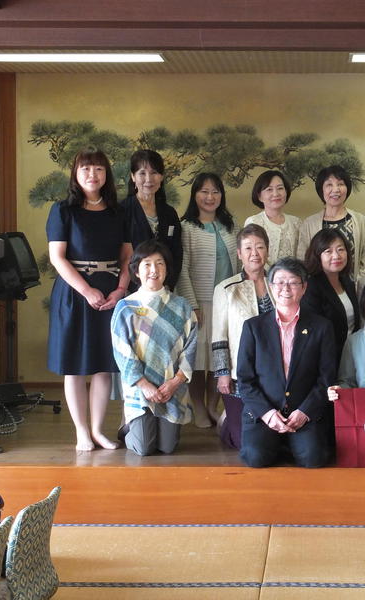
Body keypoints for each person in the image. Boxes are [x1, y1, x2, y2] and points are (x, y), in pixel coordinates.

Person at [46, 148, 132, 452]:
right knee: (75, 366)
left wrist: (120, 290)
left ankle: (98, 430)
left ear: (106, 174)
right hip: (74, 294)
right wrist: (87, 290)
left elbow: (128, 256)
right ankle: (81, 432)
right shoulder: (63, 210)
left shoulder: (118, 211)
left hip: (111, 293)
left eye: (98, 169)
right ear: (75, 174)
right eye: (85, 169)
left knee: (104, 365)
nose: (92, 175)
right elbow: (57, 258)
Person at [236, 257, 336, 468]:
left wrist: (305, 412)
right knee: (255, 458)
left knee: (314, 459)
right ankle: (281, 443)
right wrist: (268, 413)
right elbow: (245, 380)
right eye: (280, 282)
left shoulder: (321, 327)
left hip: (303, 411)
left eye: (293, 282)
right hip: (266, 411)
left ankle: (290, 442)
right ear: (271, 286)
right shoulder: (253, 327)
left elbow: (326, 378)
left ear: (304, 287)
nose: (286, 288)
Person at [111, 240, 197, 456]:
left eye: (160, 264)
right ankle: (127, 426)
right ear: (136, 271)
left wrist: (175, 382)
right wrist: (144, 385)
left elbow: (191, 348)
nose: (154, 270)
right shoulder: (126, 307)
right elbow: (122, 352)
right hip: (140, 389)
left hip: (171, 389)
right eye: (147, 264)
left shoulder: (182, 307)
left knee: (168, 447)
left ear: (167, 269)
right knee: (143, 448)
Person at [176, 172, 237, 428]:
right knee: (199, 360)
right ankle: (198, 406)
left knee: (220, 359)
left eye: (215, 191)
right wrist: (192, 304)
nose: (210, 197)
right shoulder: (187, 227)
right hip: (201, 303)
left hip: (228, 303)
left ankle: (213, 405)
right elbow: (182, 268)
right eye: (204, 191)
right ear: (195, 195)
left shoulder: (230, 225)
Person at [211, 224, 276, 449]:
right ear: (239, 253)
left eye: (260, 247)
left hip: (274, 371)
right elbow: (219, 334)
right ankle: (227, 420)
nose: (254, 253)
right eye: (248, 248)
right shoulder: (226, 288)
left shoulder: (279, 282)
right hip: (240, 372)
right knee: (243, 442)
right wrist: (223, 374)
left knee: (273, 436)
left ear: (267, 250)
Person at [297, 164, 365, 281]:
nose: (336, 190)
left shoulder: (360, 221)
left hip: (354, 286)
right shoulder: (309, 224)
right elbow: (303, 259)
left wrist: (359, 284)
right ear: (321, 190)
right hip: (319, 287)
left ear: (347, 188)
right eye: (329, 185)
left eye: (340, 184)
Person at [122, 149, 183, 288]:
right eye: (142, 173)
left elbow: (177, 253)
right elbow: (122, 256)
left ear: (161, 177)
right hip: (132, 288)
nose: (149, 179)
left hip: (164, 287)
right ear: (133, 177)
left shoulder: (169, 213)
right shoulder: (122, 211)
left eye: (154, 172)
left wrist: (168, 285)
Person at [301, 229, 360, 362]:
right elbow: (314, 333)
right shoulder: (311, 287)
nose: (336, 256)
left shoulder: (347, 281)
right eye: (328, 251)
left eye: (340, 249)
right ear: (317, 256)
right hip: (326, 359)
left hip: (351, 355)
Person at [244, 170, 301, 268]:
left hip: (292, 276)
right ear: (259, 196)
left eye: (280, 188)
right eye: (269, 189)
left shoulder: (296, 222)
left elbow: (301, 256)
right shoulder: (254, 222)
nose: (276, 194)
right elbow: (250, 256)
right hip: (262, 275)